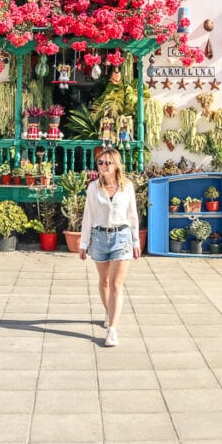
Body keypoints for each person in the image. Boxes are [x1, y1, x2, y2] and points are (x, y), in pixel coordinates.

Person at [79, 146, 141, 347]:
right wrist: (83, 243)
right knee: (104, 282)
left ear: (116, 165)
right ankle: (109, 311)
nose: (103, 166)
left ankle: (112, 329)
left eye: (108, 163)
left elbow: (132, 215)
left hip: (121, 237)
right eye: (100, 163)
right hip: (99, 238)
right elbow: (88, 215)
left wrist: (136, 241)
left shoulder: (127, 187)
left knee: (116, 284)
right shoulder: (93, 188)